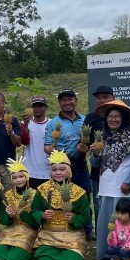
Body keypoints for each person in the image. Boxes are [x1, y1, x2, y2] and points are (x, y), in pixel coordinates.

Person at [90, 99, 130, 260]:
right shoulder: (103, 138)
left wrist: (129, 181)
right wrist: (94, 154)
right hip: (107, 184)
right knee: (108, 219)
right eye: (110, 116)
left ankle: (129, 253)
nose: (113, 119)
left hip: (125, 185)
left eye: (117, 116)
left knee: (125, 220)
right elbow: (95, 164)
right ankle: (108, 253)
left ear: (123, 119)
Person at [25, 151, 90, 260]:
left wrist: (74, 219)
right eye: (54, 170)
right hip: (48, 235)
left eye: (62, 169)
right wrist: (42, 215)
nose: (58, 172)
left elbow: (86, 215)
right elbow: (34, 209)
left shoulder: (79, 192)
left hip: (72, 235)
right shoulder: (42, 189)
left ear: (69, 170)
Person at [43, 88, 91, 238]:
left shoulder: (84, 120)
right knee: (62, 198)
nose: (67, 102)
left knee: (84, 198)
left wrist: (86, 147)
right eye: (63, 100)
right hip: (62, 169)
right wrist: (52, 149)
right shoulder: (54, 123)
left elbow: (90, 141)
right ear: (59, 103)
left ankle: (88, 229)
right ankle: (63, 226)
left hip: (80, 166)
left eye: (70, 99)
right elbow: (46, 146)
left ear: (75, 101)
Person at [0, 160, 37, 260]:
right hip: (11, 228)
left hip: (28, 230)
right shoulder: (8, 195)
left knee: (15, 259)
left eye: (21, 176)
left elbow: (37, 221)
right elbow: (3, 220)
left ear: (26, 177)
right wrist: (9, 215)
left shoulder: (35, 194)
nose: (18, 180)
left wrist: (23, 214)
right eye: (14, 178)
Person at [82, 85, 115, 235]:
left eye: (105, 97)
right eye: (99, 98)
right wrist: (84, 147)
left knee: (118, 204)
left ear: (113, 98)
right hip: (98, 170)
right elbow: (85, 143)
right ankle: (102, 236)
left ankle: (119, 235)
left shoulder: (120, 115)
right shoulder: (91, 118)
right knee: (98, 204)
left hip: (118, 169)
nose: (101, 100)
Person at [20, 95, 52, 189]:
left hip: (47, 170)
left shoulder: (52, 123)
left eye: (40, 106)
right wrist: (26, 125)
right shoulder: (24, 123)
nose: (37, 108)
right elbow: (24, 141)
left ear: (45, 107)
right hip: (30, 170)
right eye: (35, 106)